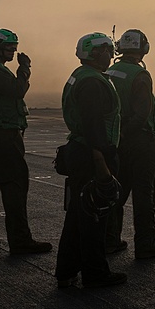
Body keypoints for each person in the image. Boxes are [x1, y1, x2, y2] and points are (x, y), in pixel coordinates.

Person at [0, 29, 52, 254]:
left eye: (14, 47)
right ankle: (21, 241)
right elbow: (17, 90)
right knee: (14, 187)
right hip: (3, 135)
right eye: (8, 47)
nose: (13, 51)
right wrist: (25, 69)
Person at [55, 32, 127, 288]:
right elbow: (93, 125)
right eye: (107, 50)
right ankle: (95, 274)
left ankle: (66, 270)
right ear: (96, 53)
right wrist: (102, 166)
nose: (111, 55)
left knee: (77, 215)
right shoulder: (93, 83)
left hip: (80, 150)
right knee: (95, 217)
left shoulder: (81, 76)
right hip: (92, 154)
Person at [104, 29, 155, 259]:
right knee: (144, 193)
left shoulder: (110, 70)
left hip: (115, 140)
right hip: (139, 141)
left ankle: (110, 239)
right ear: (144, 48)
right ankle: (145, 243)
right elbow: (142, 112)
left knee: (117, 193)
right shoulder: (140, 75)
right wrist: (129, 134)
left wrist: (118, 135)